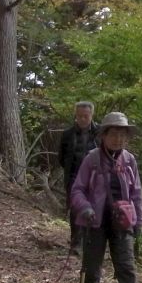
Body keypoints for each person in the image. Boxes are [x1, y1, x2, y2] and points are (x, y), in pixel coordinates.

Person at [69, 111, 142, 283]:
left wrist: (138, 221)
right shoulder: (92, 159)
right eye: (113, 134)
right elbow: (77, 190)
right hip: (95, 221)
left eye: (122, 135)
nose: (118, 139)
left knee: (126, 266)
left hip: (122, 221)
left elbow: (137, 193)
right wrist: (84, 208)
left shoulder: (129, 160)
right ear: (103, 135)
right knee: (91, 268)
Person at [57, 101, 98, 253]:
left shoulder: (100, 133)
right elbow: (62, 158)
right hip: (74, 177)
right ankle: (76, 243)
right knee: (75, 209)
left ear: (91, 115)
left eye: (85, 116)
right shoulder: (68, 134)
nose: (82, 119)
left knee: (94, 208)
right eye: (79, 116)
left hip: (95, 179)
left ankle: (91, 243)